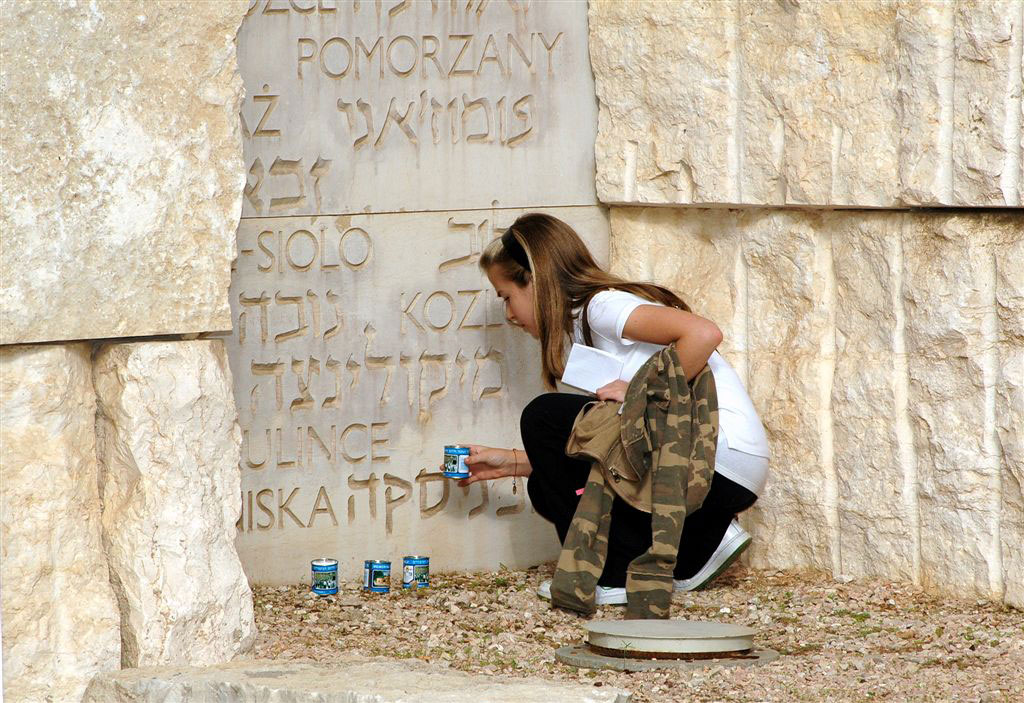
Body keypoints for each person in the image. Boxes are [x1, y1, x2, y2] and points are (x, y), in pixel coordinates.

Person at [461, 213, 770, 605]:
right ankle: (700, 542)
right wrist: (515, 462)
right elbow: (602, 444)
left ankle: (606, 574)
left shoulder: (600, 307)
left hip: (718, 462)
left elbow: (702, 334)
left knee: (543, 417)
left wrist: (639, 389)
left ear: (534, 280)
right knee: (543, 486)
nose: (508, 314)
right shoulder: (578, 328)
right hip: (714, 471)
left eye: (507, 297)